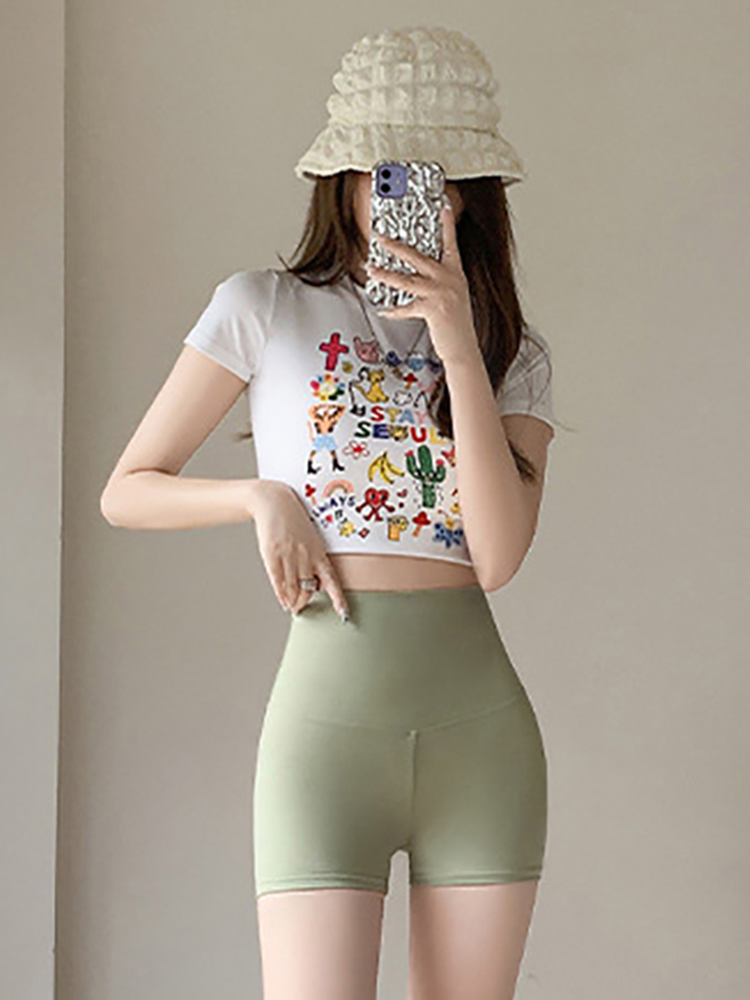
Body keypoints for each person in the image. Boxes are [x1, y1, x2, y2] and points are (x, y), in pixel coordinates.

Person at [100, 24, 560, 1000]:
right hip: (325, 736)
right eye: (395, 172)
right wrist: (260, 497)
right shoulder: (262, 308)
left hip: (482, 738)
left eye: (445, 177)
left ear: (472, 194)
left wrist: (457, 343)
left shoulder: (510, 354)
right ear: (346, 177)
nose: (421, 196)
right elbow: (127, 488)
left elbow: (497, 556)